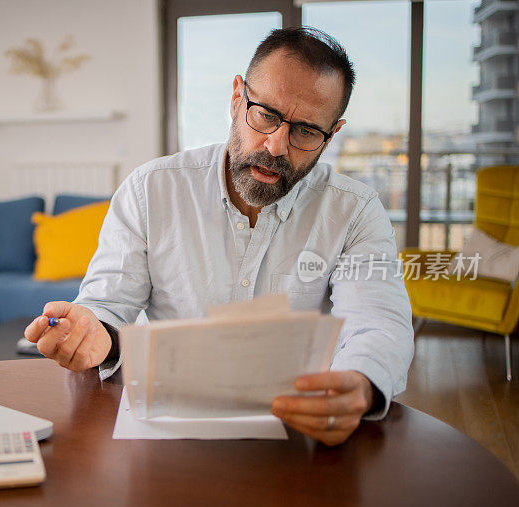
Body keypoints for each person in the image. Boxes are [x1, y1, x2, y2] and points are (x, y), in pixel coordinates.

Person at [24, 27, 414, 446]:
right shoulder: (150, 189)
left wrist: (359, 382)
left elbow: (378, 324)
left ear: (331, 135)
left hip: (296, 433)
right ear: (236, 97)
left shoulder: (355, 211)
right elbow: (106, 305)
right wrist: (93, 331)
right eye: (266, 114)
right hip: (169, 433)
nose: (276, 145)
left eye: (305, 131)